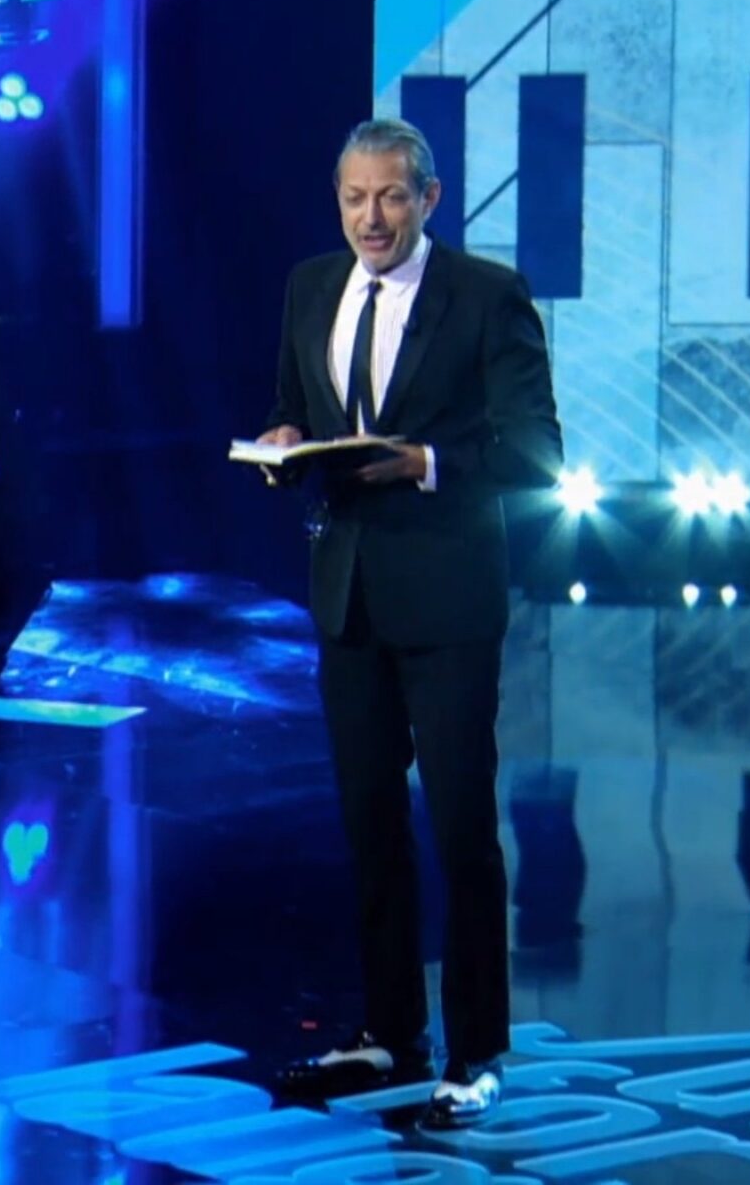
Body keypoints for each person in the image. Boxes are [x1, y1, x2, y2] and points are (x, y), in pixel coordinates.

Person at [254, 118, 561, 1129]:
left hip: (447, 601)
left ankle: (475, 1053)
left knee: (462, 830)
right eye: (354, 198)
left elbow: (537, 453)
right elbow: (300, 409)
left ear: (428, 198)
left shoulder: (486, 296)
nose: (371, 218)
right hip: (347, 598)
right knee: (369, 825)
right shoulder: (309, 287)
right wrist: (285, 442)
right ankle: (390, 1030)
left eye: (390, 196)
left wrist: (424, 462)